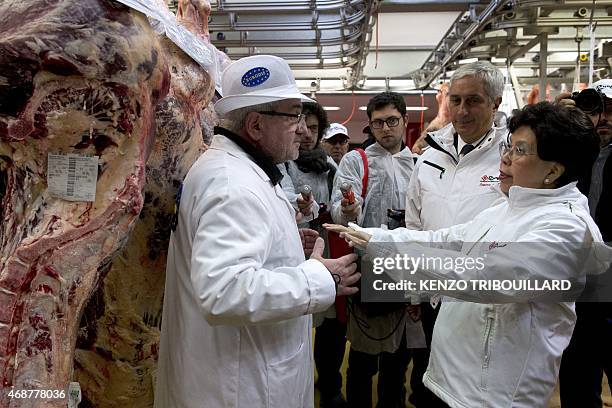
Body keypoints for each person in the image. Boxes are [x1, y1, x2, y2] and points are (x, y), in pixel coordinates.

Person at [326, 102, 612, 408]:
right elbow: (446, 239)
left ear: (553, 170)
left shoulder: (565, 228)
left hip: (491, 395)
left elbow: (483, 275)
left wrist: (389, 252)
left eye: (519, 150)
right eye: (508, 146)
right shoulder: (506, 205)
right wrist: (378, 237)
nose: (505, 158)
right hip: (452, 379)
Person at [154, 55, 360, 408]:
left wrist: (286, 249)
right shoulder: (233, 184)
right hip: (240, 388)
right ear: (255, 125)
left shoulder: (242, 170)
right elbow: (224, 291)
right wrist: (319, 278)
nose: (304, 129)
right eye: (293, 115)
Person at [403, 61, 507, 407]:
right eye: (456, 100)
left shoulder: (512, 159)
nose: (462, 111)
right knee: (432, 383)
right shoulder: (429, 158)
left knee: (480, 389)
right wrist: (415, 292)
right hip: (436, 295)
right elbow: (414, 227)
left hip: (487, 301)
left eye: (474, 100)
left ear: (496, 102)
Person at [330, 91, 416, 408]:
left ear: (404, 121)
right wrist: (350, 209)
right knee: (364, 360)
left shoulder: (419, 165)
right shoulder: (358, 160)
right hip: (368, 270)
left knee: (398, 359)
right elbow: (342, 208)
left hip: (407, 272)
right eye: (378, 123)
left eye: (392, 120)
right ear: (370, 126)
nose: (385, 128)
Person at [558, 79, 612, 408]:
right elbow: (494, 177)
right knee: (577, 375)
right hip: (576, 284)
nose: (603, 118)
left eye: (611, 111)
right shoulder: (567, 151)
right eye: (597, 110)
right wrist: (556, 122)